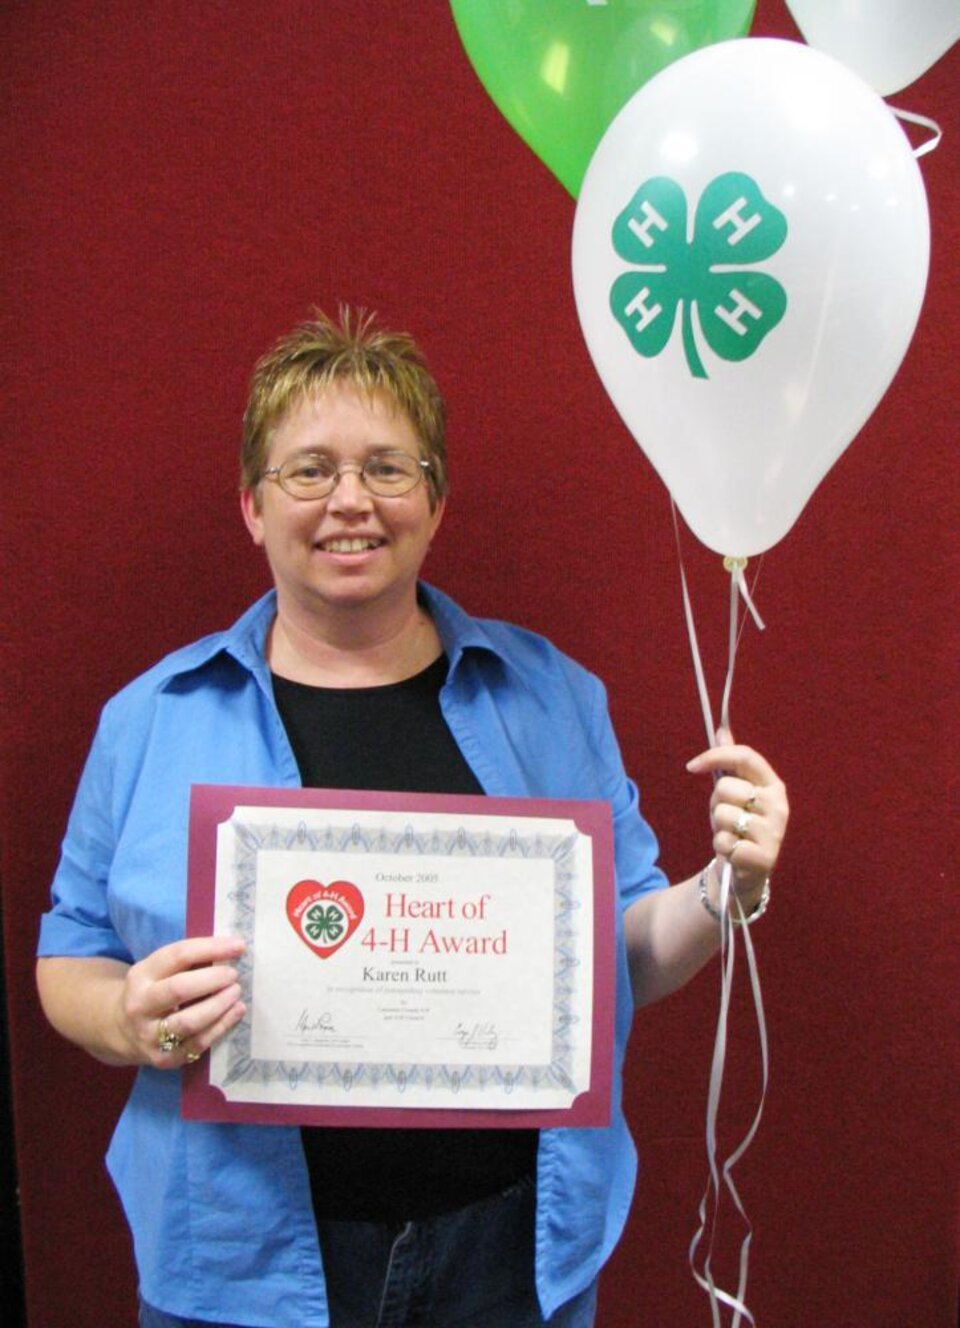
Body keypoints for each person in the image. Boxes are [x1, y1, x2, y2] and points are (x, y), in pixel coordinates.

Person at [36, 307, 789, 1328]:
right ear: (254, 505)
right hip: (237, 1257)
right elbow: (67, 955)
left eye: (388, 467)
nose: (351, 500)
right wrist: (128, 1015)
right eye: (310, 470)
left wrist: (724, 887)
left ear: (435, 500)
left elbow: (625, 951)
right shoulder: (152, 717)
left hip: (506, 1247)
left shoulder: (553, 696)